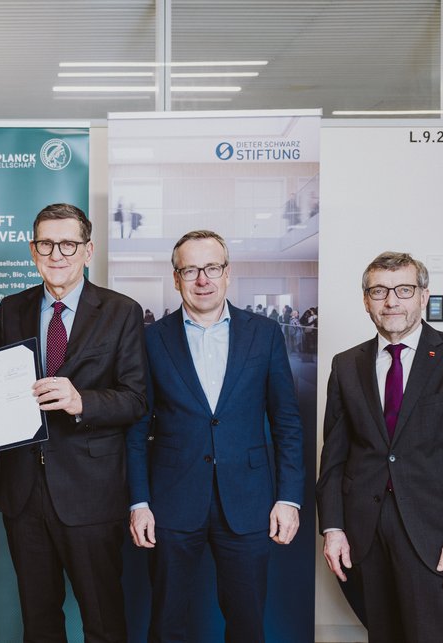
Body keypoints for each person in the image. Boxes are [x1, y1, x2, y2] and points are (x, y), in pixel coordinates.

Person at [127, 229, 304, 643]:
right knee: (166, 622)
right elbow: (135, 428)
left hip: (248, 501)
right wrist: (139, 502)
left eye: (212, 268)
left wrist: (288, 498)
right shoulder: (150, 339)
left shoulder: (265, 333)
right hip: (171, 502)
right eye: (190, 270)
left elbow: (287, 423)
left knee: (247, 624)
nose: (202, 279)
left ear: (228, 273)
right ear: (176, 278)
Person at [0, 203, 148, 642]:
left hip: (91, 492)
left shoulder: (121, 311)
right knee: (39, 621)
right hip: (23, 492)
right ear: (33, 250)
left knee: (103, 620)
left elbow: (136, 399)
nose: (56, 254)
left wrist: (82, 401)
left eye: (68, 244)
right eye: (46, 244)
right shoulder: (12, 308)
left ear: (88, 250)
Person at [316, 251, 443, 642]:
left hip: (435, 536)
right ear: (366, 300)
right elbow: (334, 458)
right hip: (364, 536)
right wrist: (333, 528)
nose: (391, 301)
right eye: (379, 291)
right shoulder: (345, 365)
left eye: (403, 290)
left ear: (423, 296)